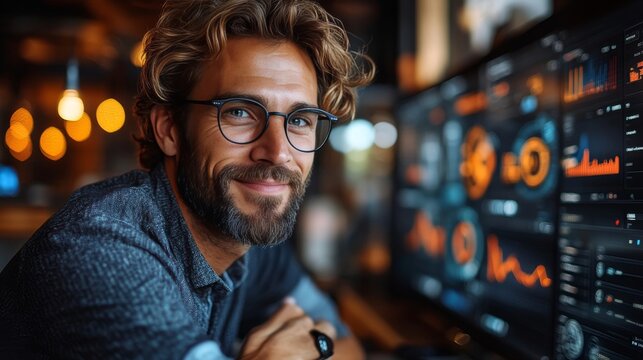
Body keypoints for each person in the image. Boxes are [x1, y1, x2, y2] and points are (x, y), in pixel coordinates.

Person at [0, 0, 375, 358]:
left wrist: (315, 346)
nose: (277, 152)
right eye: (240, 112)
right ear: (169, 130)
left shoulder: (248, 236)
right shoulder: (99, 250)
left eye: (299, 120)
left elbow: (346, 344)